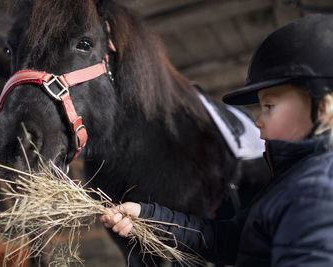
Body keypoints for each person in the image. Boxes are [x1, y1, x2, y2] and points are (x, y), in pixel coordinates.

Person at [100, 14, 333, 266]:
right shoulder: (295, 181)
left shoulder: (317, 191)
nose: (258, 120)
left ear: (324, 108)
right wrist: (148, 216)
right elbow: (228, 240)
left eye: (268, 105)